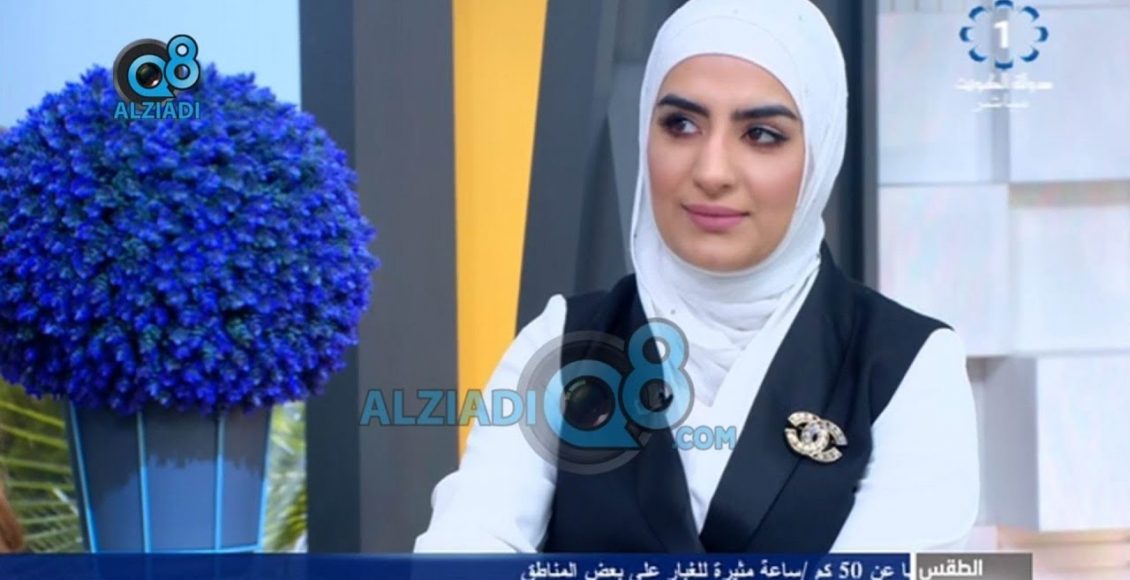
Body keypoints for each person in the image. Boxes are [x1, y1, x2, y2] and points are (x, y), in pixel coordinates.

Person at [416, 0, 979, 553]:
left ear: (821, 153)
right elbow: (468, 544)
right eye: (680, 125)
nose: (711, 172)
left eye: (762, 134)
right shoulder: (565, 341)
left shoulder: (906, 364)